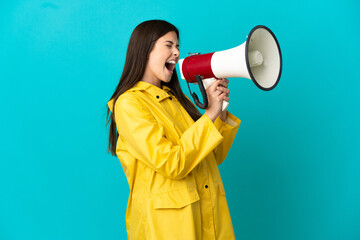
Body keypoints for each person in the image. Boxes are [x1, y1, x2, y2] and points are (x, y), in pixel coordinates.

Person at [106, 20, 241, 240]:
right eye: (169, 45)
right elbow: (171, 163)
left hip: (207, 218)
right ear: (145, 49)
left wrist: (220, 111)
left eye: (177, 46)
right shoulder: (129, 104)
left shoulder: (177, 100)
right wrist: (209, 115)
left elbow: (214, 155)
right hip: (168, 228)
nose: (176, 53)